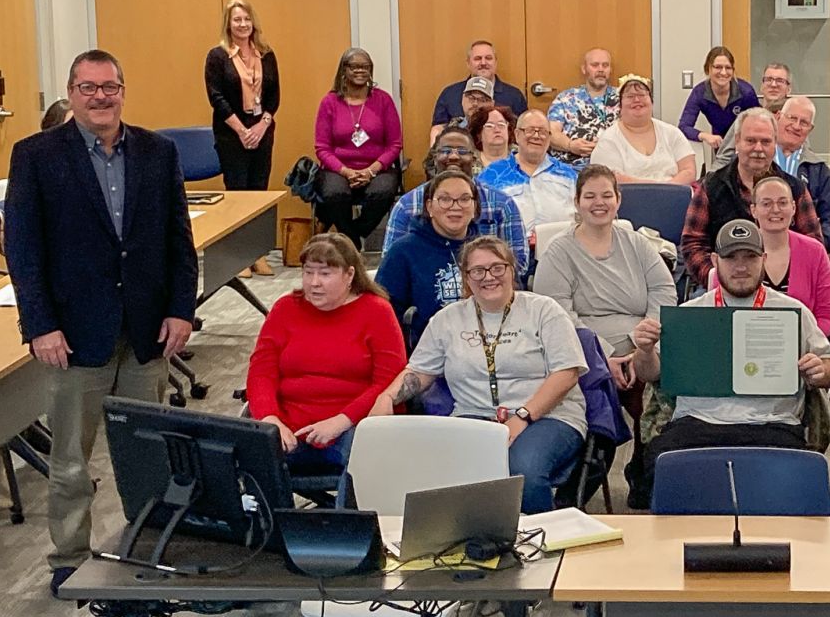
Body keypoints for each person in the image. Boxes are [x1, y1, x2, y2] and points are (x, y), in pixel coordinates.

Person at [4, 50, 197, 595]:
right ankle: (69, 555)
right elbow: (24, 251)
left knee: (150, 452)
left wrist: (182, 308)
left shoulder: (158, 153)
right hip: (71, 335)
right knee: (69, 458)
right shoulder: (36, 156)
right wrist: (39, 325)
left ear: (123, 91)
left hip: (146, 331)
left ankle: (153, 542)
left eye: (110, 86)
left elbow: (177, 241)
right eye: (88, 88)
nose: (100, 97)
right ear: (71, 93)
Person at [376, 237, 588, 514]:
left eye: (497, 268)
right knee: (440, 469)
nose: (488, 277)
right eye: (477, 271)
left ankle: (542, 541)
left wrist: (522, 416)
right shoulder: (447, 320)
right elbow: (419, 371)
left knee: (522, 470)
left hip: (548, 416)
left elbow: (567, 372)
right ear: (466, 278)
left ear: (512, 270)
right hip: (474, 416)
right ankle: (466, 541)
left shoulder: (544, 311)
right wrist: (387, 396)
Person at [632, 219, 830, 495]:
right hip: (697, 423)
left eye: (750, 257)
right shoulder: (690, 313)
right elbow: (649, 374)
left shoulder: (793, 311)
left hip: (772, 424)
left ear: (763, 259)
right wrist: (644, 350)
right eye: (731, 258)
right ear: (715, 260)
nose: (741, 267)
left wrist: (819, 370)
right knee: (656, 468)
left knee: (798, 479)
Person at [244, 233, 405, 497]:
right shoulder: (285, 308)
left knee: (365, 453)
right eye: (308, 273)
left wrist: (340, 422)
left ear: (349, 274)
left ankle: (349, 532)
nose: (314, 283)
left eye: (325, 274)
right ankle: (270, 532)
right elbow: (261, 371)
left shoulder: (377, 311)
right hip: (289, 424)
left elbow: (387, 382)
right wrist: (270, 419)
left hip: (353, 424)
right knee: (252, 448)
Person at [534, 164, 676, 381]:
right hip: (584, 357)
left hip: (646, 350)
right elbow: (557, 315)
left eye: (606, 195)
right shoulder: (557, 252)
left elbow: (663, 290)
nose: (599, 203)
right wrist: (601, 357)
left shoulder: (638, 243)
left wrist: (644, 344)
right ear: (577, 202)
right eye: (590, 196)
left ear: (618, 200)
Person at [680, 108, 823, 283]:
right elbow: (692, 243)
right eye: (751, 141)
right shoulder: (711, 187)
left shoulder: (795, 189)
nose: (758, 148)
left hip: (787, 287)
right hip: (722, 286)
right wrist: (717, 278)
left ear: (775, 143)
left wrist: (789, 279)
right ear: (737, 141)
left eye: (765, 141)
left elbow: (813, 242)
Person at [707, 175, 830, 337]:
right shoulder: (731, 250)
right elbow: (717, 314)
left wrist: (804, 342)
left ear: (794, 208)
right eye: (766, 203)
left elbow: (826, 314)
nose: (775, 210)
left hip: (801, 349)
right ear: (753, 210)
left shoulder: (815, 251)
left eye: (782, 203)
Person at [204, 0, 279, 277]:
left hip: (263, 130)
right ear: (228, 24)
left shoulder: (266, 54)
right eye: (237, 20)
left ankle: (257, 254)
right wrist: (242, 130)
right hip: (230, 133)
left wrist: (261, 126)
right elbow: (216, 97)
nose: (243, 24)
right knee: (238, 192)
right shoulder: (217, 56)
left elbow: (274, 96)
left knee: (259, 192)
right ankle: (238, 258)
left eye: (247, 19)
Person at [382, 126, 526, 269]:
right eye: (445, 151)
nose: (453, 156)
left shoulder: (503, 204)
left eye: (462, 151)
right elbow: (391, 265)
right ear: (434, 157)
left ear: (474, 158)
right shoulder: (406, 206)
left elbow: (518, 264)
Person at [375, 169, 483, 349]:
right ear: (429, 206)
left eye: (464, 199)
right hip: (426, 354)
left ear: (475, 207)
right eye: (445, 199)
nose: (455, 206)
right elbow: (384, 315)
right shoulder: (403, 251)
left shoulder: (490, 250)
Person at [314, 47, 402, 247]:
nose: (360, 71)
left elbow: (395, 144)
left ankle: (350, 236)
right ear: (343, 70)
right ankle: (352, 242)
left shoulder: (383, 100)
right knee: (335, 193)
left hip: (378, 169)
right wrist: (346, 172)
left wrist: (370, 171)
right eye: (354, 66)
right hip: (338, 169)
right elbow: (322, 148)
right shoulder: (330, 102)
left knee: (382, 192)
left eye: (365, 67)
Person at [477, 108, 578, 244]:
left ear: (549, 138)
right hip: (509, 254)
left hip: (561, 252)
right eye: (530, 130)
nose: (536, 136)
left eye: (542, 132)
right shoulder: (490, 176)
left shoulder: (569, 175)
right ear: (517, 135)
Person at [590, 74, 697, 184]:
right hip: (630, 198)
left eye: (642, 95)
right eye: (630, 96)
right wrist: (653, 189)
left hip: (675, 196)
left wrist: (668, 190)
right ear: (619, 106)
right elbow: (610, 179)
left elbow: (689, 171)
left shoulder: (672, 133)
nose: (637, 100)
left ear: (651, 102)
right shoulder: (609, 139)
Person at [774, 96, 830, 254]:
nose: (796, 126)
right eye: (792, 118)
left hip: (808, 249)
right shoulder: (758, 159)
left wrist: (819, 244)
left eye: (804, 123)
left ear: (810, 130)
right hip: (759, 250)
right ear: (778, 117)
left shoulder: (819, 170)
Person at [431, 39, 526, 143]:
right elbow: (438, 129)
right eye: (477, 59)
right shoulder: (449, 94)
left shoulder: (514, 95)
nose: (483, 63)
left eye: (488, 58)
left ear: (496, 62)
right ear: (468, 63)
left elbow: (523, 130)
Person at [548, 47, 619, 168]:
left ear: (610, 70)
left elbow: (638, 133)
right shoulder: (566, 98)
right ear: (584, 69)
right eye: (595, 65)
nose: (601, 69)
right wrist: (570, 145)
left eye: (605, 65)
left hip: (612, 167)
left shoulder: (623, 98)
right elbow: (550, 132)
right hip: (569, 167)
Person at [678, 45, 759, 149]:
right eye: (718, 67)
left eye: (728, 68)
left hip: (746, 145)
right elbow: (684, 127)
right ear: (708, 69)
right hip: (720, 145)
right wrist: (705, 136)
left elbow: (758, 123)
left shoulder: (746, 92)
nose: (723, 72)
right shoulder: (699, 92)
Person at [715, 62, 792, 168]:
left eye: (780, 81)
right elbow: (723, 158)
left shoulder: (795, 122)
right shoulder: (746, 118)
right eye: (769, 79)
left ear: (788, 89)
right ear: (762, 86)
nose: (773, 85)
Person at [469, 103, 515, 170]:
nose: (497, 130)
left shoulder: (521, 156)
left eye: (501, 125)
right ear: (478, 134)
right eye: (489, 126)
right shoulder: (469, 160)